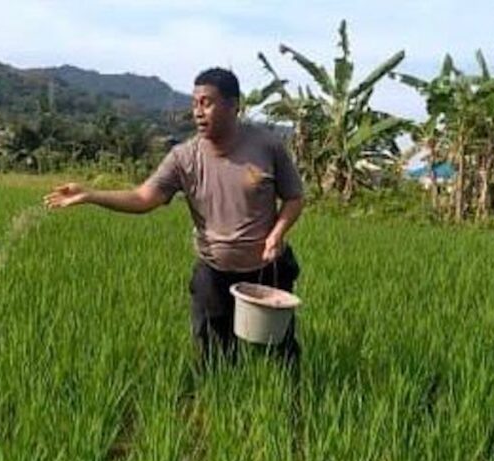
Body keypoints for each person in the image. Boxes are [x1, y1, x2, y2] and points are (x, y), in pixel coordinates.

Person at [44, 67, 305, 368]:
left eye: (207, 102)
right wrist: (90, 195)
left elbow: (294, 198)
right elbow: (144, 198)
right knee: (214, 357)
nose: (198, 112)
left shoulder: (266, 146)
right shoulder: (184, 157)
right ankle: (217, 407)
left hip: (267, 268)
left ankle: (288, 408)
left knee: (280, 353)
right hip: (215, 272)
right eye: (195, 103)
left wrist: (277, 234)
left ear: (234, 105)